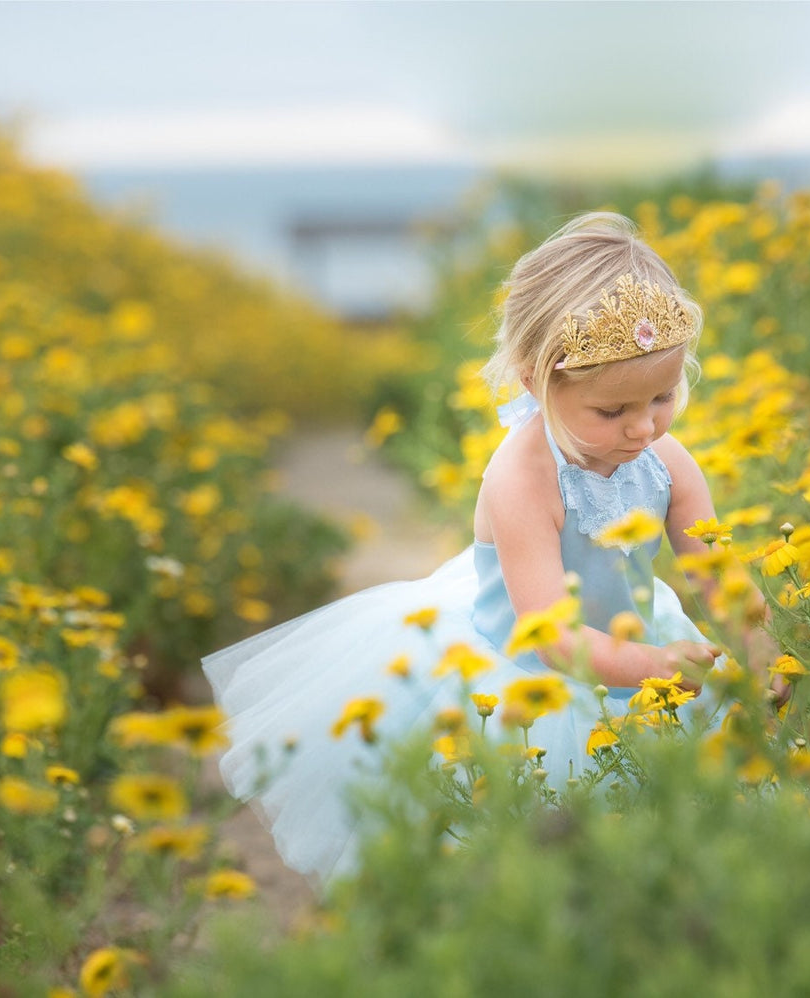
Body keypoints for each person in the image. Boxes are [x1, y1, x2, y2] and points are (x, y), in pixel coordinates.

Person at [203, 211, 778, 886]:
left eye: (661, 397)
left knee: (677, 819)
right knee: (521, 839)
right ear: (538, 381)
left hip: (638, 647)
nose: (642, 427)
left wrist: (758, 649)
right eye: (611, 412)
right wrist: (653, 667)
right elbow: (546, 634)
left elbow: (718, 574)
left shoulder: (666, 460)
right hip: (530, 668)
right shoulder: (521, 475)